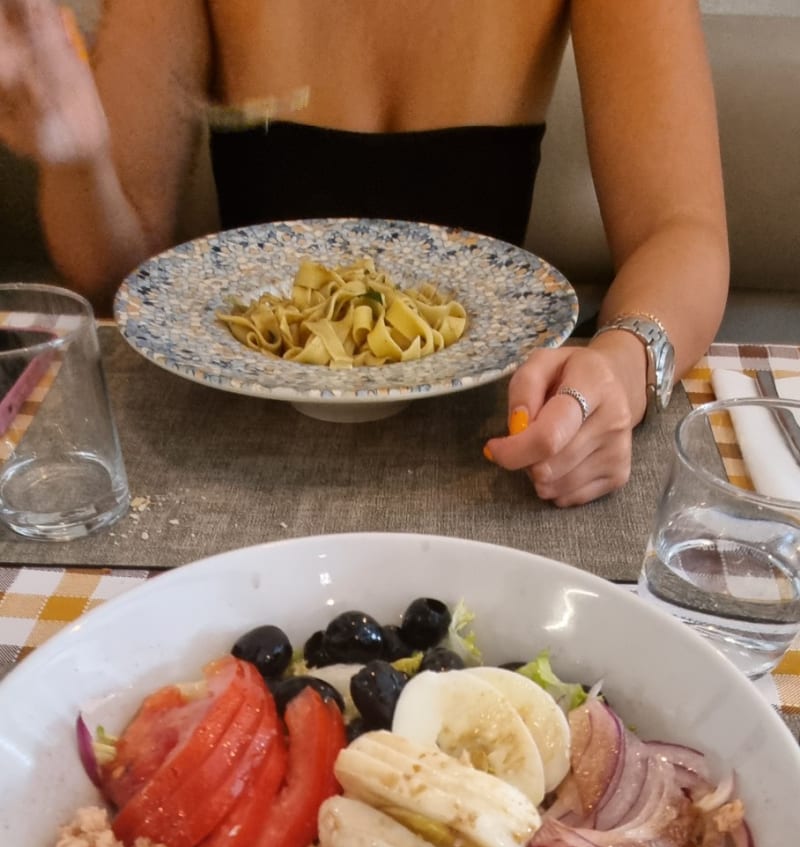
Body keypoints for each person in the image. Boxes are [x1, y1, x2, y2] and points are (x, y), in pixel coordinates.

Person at [0, 0, 729, 507]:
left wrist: (625, 361)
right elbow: (116, 279)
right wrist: (78, 160)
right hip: (231, 456)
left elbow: (683, 228)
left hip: (486, 451)